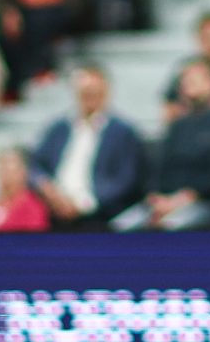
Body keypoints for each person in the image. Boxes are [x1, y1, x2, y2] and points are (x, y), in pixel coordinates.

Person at [119, 59, 210, 231]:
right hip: (163, 201)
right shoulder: (177, 126)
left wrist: (182, 199)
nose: (190, 83)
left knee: (170, 227)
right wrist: (156, 198)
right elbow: (159, 168)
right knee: (122, 225)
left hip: (203, 203)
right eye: (186, 79)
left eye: (198, 78)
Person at [28, 63, 145, 227]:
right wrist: (47, 188)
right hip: (53, 209)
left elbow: (125, 180)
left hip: (99, 216)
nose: (89, 97)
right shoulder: (58, 128)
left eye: (94, 93)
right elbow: (35, 165)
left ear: (106, 93)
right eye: (85, 93)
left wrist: (84, 204)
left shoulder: (123, 133)